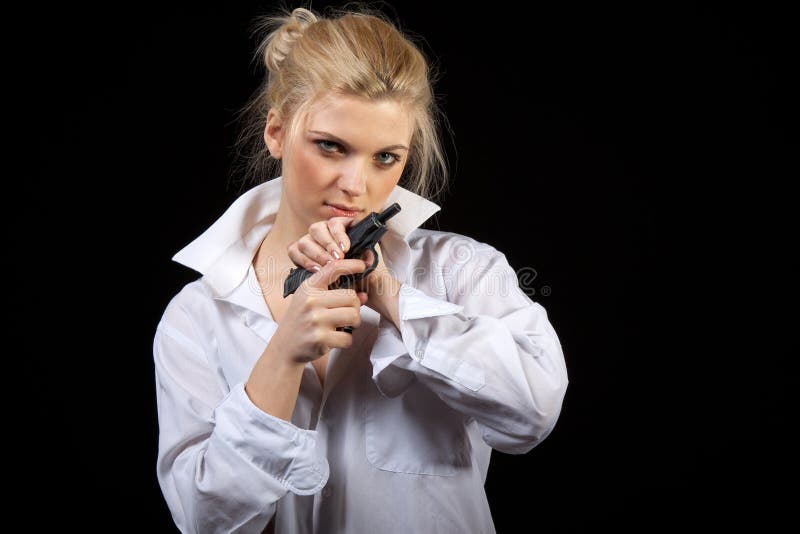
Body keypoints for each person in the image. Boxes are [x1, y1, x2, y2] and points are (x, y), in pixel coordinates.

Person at [153, 4, 568, 533]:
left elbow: (532, 415)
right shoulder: (199, 314)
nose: (356, 184)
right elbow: (203, 520)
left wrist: (391, 296)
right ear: (277, 132)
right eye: (331, 147)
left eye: (385, 158)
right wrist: (281, 356)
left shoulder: (463, 271)